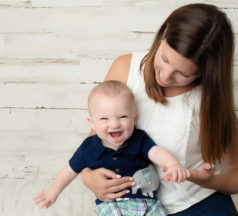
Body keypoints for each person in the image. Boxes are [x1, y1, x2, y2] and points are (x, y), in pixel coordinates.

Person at [81, 3, 238, 215]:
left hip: (196, 202)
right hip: (133, 204)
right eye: (164, 59)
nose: (165, 76)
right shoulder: (125, 68)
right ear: (164, 32)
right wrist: (87, 175)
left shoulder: (210, 100)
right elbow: (94, 141)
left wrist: (210, 181)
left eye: (183, 74)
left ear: (205, 72)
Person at [34, 80, 190, 215]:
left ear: (135, 118)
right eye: (104, 118)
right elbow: (69, 170)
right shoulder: (89, 148)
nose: (115, 124)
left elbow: (156, 152)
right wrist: (52, 193)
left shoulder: (139, 138)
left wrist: (172, 164)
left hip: (148, 204)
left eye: (123, 117)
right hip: (112, 205)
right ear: (92, 123)